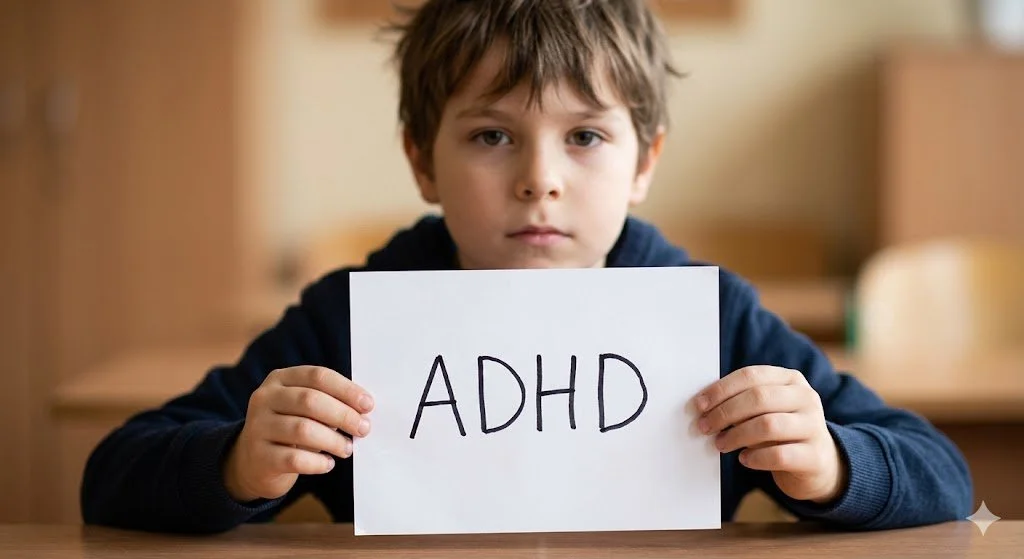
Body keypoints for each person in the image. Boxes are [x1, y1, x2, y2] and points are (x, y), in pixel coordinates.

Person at [80, 0, 972, 534]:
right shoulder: (352, 317)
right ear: (422, 161)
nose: (539, 179)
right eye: (490, 136)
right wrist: (235, 463)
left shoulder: (713, 319)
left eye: (584, 136)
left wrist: (833, 464)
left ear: (645, 161)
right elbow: (114, 474)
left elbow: (942, 472)